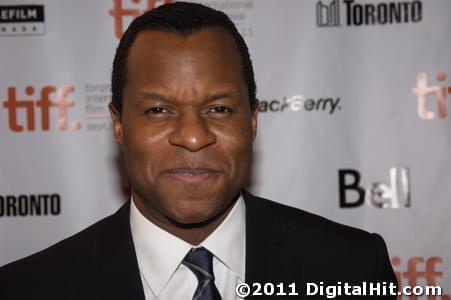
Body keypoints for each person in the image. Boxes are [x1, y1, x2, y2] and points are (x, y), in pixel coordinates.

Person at [0, 2, 397, 299]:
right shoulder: (29, 288)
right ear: (119, 125)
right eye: (158, 110)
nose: (192, 137)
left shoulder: (353, 269)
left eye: (219, 109)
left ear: (253, 121)